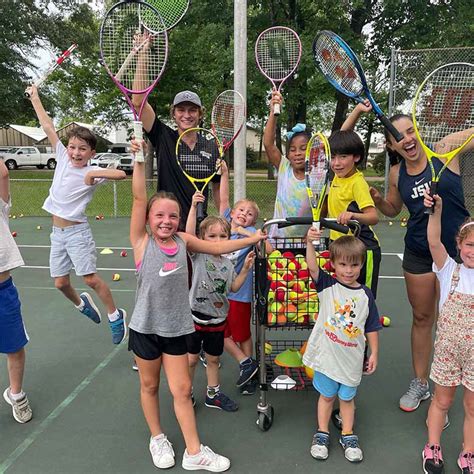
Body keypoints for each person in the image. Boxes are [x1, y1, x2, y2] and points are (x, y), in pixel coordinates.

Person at [128, 153, 266, 470]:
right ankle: (157, 438)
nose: (166, 221)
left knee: (183, 389)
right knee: (149, 386)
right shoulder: (141, 242)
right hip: (146, 329)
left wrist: (255, 237)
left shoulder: (185, 242)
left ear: (180, 220)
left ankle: (193, 452)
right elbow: (138, 198)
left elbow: (218, 248)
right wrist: (138, 160)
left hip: (178, 329)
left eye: (172, 216)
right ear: (148, 218)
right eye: (159, 215)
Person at [342, 102, 472, 412]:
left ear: (418, 130)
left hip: (458, 255)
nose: (408, 139)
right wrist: (378, 200)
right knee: (424, 318)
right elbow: (393, 209)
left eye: (411, 130)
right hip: (419, 252)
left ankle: (449, 389)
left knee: (458, 322)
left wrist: (455, 138)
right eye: (399, 136)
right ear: (391, 145)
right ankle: (421, 384)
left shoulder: (443, 152)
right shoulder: (398, 174)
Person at [26, 85, 127, 345]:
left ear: (91, 153)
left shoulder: (90, 172)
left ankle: (115, 315)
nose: (75, 152)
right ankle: (82, 304)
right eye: (72, 147)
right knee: (60, 283)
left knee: (90, 278)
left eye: (82, 149)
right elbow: (48, 126)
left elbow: (121, 174)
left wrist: (94, 173)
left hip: (77, 233)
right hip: (56, 233)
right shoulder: (62, 157)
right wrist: (35, 97)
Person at [303, 228, 381, 463]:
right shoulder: (327, 285)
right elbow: (312, 266)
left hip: (351, 360)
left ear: (361, 265)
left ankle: (347, 434)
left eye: (354, 265)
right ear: (334, 264)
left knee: (347, 399)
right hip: (327, 358)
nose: (349, 270)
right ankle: (322, 432)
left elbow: (371, 326)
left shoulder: (366, 295)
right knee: (327, 397)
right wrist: (309, 242)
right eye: (343, 264)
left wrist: (374, 352)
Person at [185, 180, 255, 412]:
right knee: (192, 360)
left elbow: (233, 288)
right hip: (195, 319)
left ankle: (212, 394)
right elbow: (187, 236)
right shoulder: (198, 255)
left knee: (213, 359)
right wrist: (194, 208)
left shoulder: (228, 263)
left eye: (222, 236)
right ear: (203, 239)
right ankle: (186, 394)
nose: (217, 241)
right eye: (211, 237)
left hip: (217, 322)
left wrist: (245, 269)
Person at [421, 193, 473, 474]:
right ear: (459, 244)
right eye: (470, 245)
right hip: (448, 352)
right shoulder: (448, 269)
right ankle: (432, 446)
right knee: (442, 401)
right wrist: (435, 212)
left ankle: (469, 452)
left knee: (473, 407)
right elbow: (432, 241)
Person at [131, 87, 220, 230]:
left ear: (200, 114)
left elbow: (217, 187)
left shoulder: (211, 147)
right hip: (167, 226)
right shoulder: (163, 136)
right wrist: (144, 62)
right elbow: (138, 102)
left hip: (197, 226)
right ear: (173, 114)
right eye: (181, 110)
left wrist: (224, 216)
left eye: (192, 110)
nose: (187, 115)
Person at [326, 130, 380, 298]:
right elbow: (339, 136)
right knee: (343, 300)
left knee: (364, 300)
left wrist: (353, 215)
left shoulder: (357, 183)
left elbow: (373, 217)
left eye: (343, 157)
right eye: (333, 157)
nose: (336, 163)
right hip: (341, 247)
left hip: (363, 249)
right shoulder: (337, 176)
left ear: (356, 157)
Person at [0, 158, 33, 424]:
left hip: (3, 290)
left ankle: (17, 394)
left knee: (15, 346)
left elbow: (2, 172)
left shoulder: (0, 207)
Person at [263, 90, 312, 239]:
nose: (297, 153)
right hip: (278, 238)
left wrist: (312, 233)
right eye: (292, 149)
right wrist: (273, 111)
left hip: (305, 242)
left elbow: (323, 209)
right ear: (288, 154)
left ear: (312, 150)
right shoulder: (285, 167)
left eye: (303, 149)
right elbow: (268, 143)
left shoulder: (317, 176)